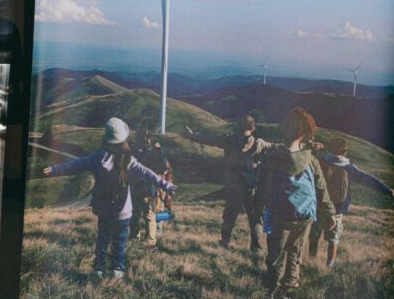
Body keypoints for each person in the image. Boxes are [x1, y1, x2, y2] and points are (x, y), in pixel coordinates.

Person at [39, 117, 175, 279]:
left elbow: (76, 165)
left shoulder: (97, 157)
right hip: (123, 210)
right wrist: (166, 185)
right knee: (119, 241)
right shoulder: (128, 159)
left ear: (106, 138)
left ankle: (99, 268)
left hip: (104, 208)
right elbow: (147, 173)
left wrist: (54, 169)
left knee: (102, 240)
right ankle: (117, 269)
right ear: (123, 139)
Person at [256, 107, 335, 299]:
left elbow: (263, 188)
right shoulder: (311, 160)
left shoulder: (273, 159)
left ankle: (272, 290)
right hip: (305, 214)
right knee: (295, 252)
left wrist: (257, 209)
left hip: (280, 213)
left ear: (283, 131)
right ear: (305, 134)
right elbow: (322, 189)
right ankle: (288, 291)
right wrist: (330, 213)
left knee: (276, 253)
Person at [306, 134, 394, 268]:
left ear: (329, 149)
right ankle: (330, 265)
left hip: (319, 206)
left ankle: (311, 260)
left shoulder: (320, 161)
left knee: (314, 235)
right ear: (345, 152)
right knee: (333, 238)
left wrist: (310, 147)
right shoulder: (349, 168)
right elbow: (368, 179)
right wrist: (386, 189)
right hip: (337, 209)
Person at [183, 115, 270, 252]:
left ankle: (224, 243)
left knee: (229, 217)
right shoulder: (259, 144)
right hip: (250, 187)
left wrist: (192, 136)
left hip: (234, 186)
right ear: (253, 128)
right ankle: (256, 248)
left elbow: (210, 139)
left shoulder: (229, 140)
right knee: (255, 219)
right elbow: (277, 148)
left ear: (238, 126)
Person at [129, 132, 174, 244]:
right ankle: (150, 239)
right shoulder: (153, 152)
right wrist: (159, 150)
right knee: (149, 214)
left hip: (137, 187)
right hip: (148, 188)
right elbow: (163, 166)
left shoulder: (134, 151)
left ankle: (136, 238)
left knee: (136, 214)